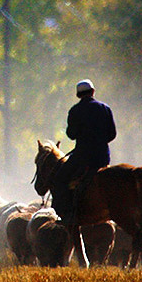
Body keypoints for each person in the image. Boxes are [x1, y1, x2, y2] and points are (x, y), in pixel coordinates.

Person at [51, 79, 116, 224]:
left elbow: (71, 134)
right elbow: (112, 134)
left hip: (82, 157)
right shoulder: (105, 108)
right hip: (103, 158)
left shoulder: (75, 110)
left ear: (78, 95)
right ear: (93, 92)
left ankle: (67, 215)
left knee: (60, 178)